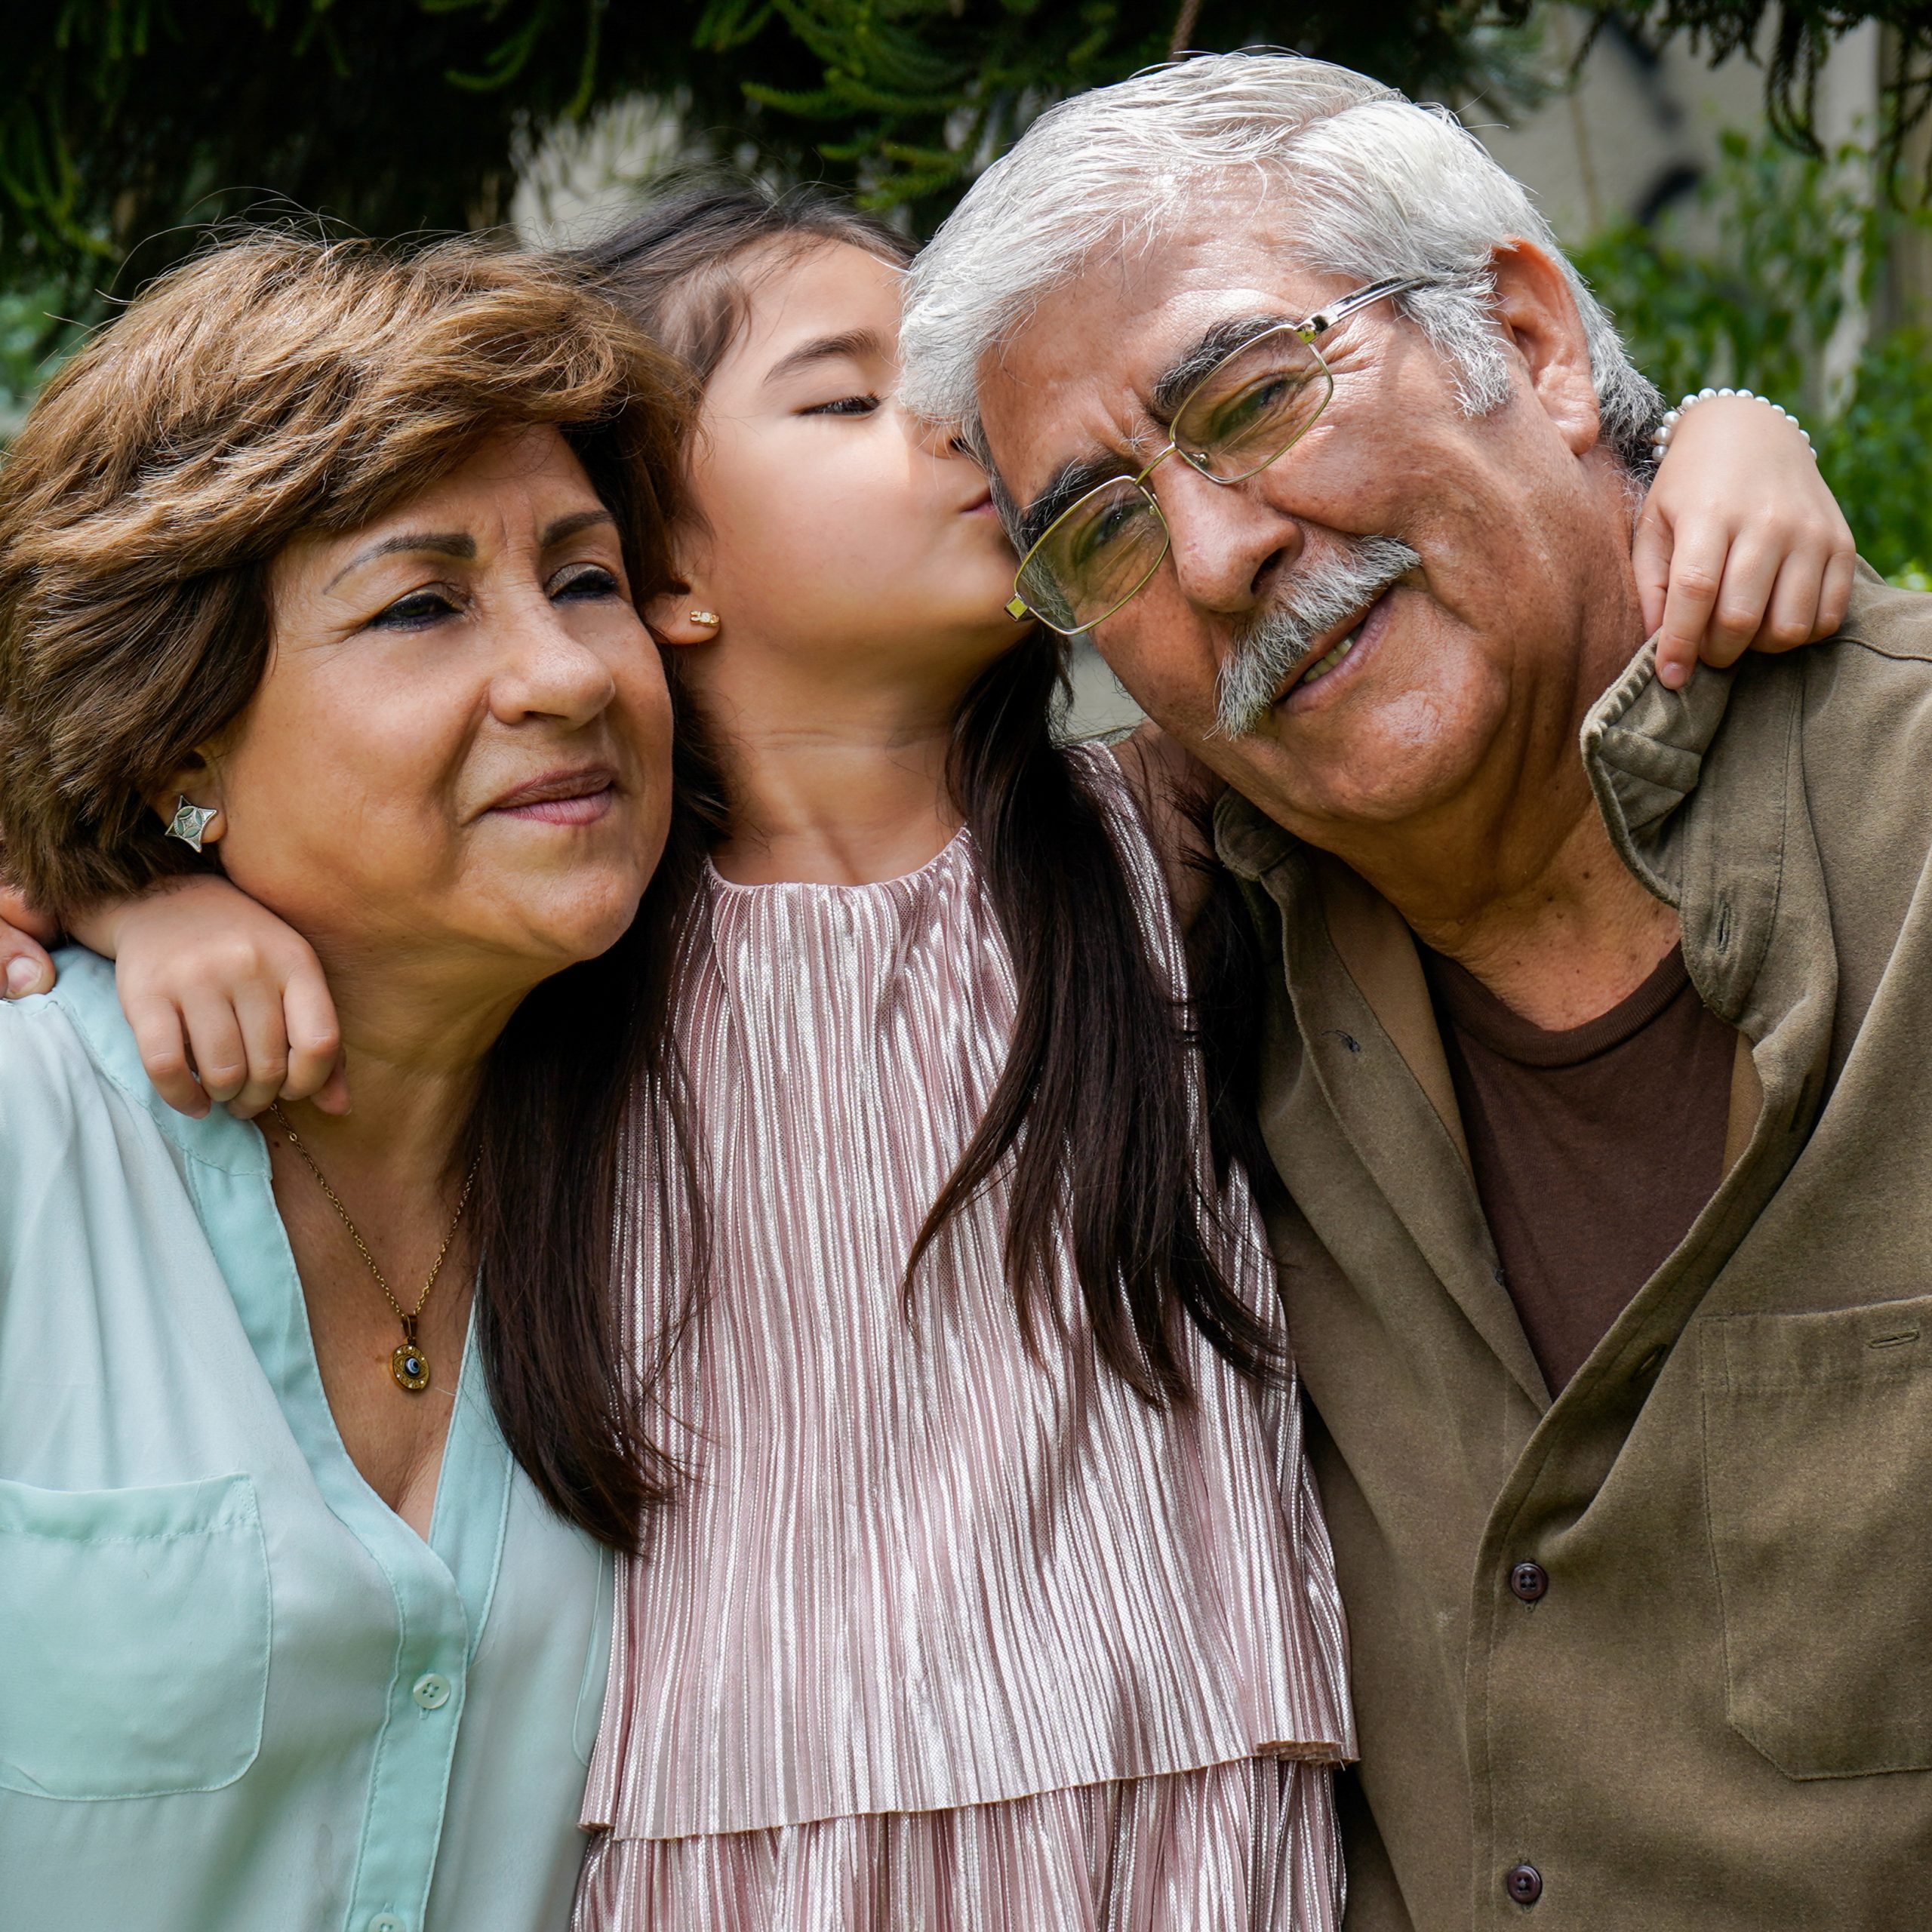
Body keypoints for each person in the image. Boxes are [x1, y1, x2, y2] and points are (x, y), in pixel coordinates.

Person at [0, 181, 1855, 1929]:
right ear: (681, 573)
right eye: (853, 399)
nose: (964, 438)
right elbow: (288, 860)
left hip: (1176, 1787)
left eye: (962, 397)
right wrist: (122, 891)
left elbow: (1449, 646)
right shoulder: (592, 947)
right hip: (754, 1824)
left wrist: (1703, 433)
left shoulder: (1165, 842)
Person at [900, 47, 1929, 1932]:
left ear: (1530, 339)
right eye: (1100, 528)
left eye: (1250, 393)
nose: (1212, 557)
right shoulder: (1163, 959)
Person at [0, 231, 692, 1932]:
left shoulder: (692, 1160)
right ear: (176, 741)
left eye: (588, 576)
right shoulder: (32, 1144)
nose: (568, 673)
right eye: (421, 601)